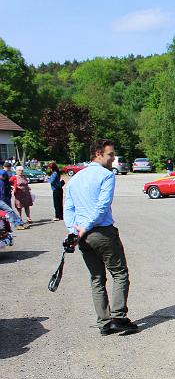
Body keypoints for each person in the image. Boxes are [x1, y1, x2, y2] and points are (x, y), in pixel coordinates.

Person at [64, 139, 137, 335]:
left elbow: (69, 208)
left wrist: (74, 231)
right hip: (101, 232)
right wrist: (85, 227)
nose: (113, 158)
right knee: (120, 273)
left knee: (96, 277)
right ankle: (118, 317)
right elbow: (101, 207)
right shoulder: (106, 175)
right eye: (110, 154)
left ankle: (104, 321)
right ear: (98, 154)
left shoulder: (76, 178)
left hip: (82, 235)